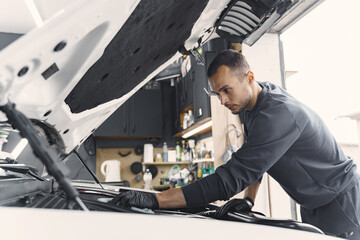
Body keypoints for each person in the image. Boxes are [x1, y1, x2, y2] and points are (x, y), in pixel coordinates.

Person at [111, 49, 360, 239]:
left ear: (249, 77)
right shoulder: (255, 104)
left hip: (340, 203)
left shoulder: (278, 115)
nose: (222, 100)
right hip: (313, 203)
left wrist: (157, 200)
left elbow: (229, 180)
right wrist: (250, 199)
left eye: (226, 90)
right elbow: (256, 159)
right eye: (217, 93)